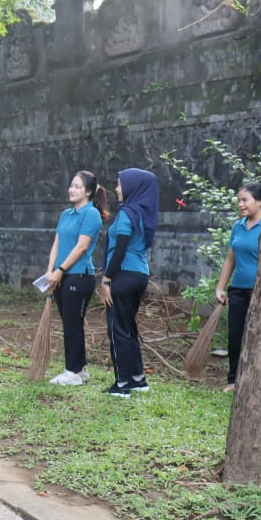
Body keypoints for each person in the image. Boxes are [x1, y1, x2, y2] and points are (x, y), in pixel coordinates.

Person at [42, 171, 107, 386]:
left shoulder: (91, 214)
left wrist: (60, 270)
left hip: (78, 276)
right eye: (71, 185)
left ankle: (72, 372)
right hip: (60, 275)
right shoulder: (66, 214)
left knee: (73, 324)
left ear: (88, 192)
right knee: (69, 322)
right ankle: (80, 370)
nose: (72, 189)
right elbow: (57, 243)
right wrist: (50, 271)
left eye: (78, 186)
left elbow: (81, 247)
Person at [100, 168, 158, 397]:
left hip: (123, 275)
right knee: (128, 327)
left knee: (117, 328)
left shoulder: (127, 213)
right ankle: (137, 379)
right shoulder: (142, 213)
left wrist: (106, 279)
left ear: (132, 187)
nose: (116, 189)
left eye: (119, 184)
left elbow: (120, 249)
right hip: (139, 275)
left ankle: (122, 383)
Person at [213, 182, 261, 391]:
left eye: (245, 200)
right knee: (235, 338)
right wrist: (220, 287)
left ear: (259, 202)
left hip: (259, 292)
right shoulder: (239, 226)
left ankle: (256, 380)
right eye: (239, 200)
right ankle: (233, 381)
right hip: (237, 290)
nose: (240, 204)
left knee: (257, 337)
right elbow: (230, 258)